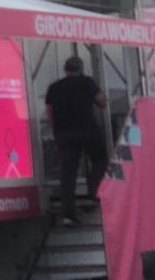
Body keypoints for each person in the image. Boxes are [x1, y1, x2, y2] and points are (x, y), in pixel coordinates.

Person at [45, 54, 108, 226]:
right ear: (81, 70)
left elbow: (49, 112)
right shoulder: (87, 82)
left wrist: (57, 130)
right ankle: (94, 193)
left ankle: (68, 215)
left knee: (68, 173)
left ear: (65, 70)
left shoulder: (54, 87)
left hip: (64, 134)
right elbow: (102, 103)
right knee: (100, 159)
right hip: (88, 131)